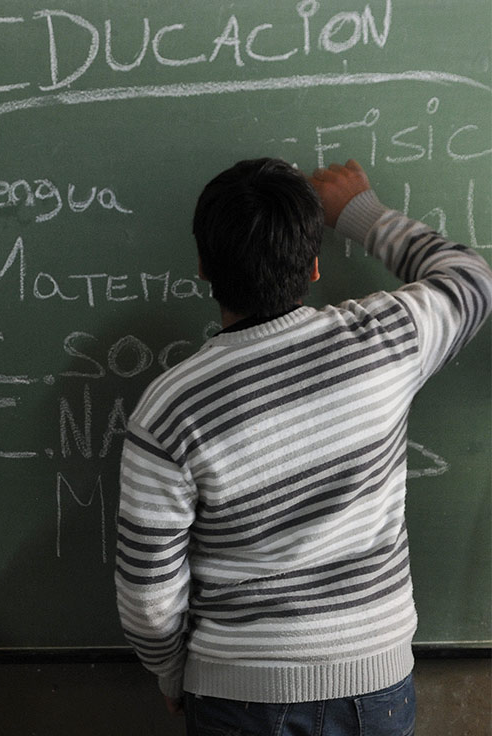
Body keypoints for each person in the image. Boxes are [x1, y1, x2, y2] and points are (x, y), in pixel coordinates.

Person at [115, 158, 492, 735]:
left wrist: (170, 674)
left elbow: (148, 594)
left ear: (203, 267)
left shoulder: (169, 408)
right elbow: (472, 280)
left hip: (237, 691)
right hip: (375, 682)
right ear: (315, 265)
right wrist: (362, 213)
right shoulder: (386, 340)